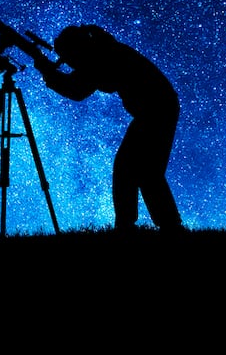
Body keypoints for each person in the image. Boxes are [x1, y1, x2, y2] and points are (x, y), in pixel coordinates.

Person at [35, 24, 184, 234]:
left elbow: (77, 90)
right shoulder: (101, 49)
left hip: (156, 109)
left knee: (135, 169)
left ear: (76, 48)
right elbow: (80, 81)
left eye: (67, 57)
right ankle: (161, 224)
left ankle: (139, 225)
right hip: (158, 107)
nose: (68, 63)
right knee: (143, 170)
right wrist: (53, 73)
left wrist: (49, 74)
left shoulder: (98, 55)